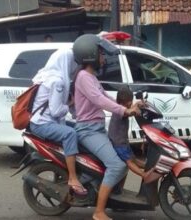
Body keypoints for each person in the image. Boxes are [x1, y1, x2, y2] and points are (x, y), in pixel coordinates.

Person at [73, 34, 140, 220]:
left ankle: (115, 198)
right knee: (117, 165)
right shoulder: (84, 77)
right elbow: (99, 100)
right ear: (90, 55)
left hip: (96, 128)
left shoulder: (90, 77)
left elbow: (106, 97)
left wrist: (128, 107)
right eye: (101, 55)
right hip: (88, 130)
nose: (103, 59)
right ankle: (99, 212)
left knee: (123, 158)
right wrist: (123, 111)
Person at [29, 48, 87, 195]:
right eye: (73, 62)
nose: (75, 65)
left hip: (45, 121)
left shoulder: (48, 76)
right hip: (42, 124)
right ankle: (73, 178)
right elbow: (56, 111)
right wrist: (69, 105)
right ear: (66, 62)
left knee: (81, 128)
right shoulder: (57, 81)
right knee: (70, 134)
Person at [109, 87, 148, 178]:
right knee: (129, 161)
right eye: (131, 101)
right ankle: (144, 175)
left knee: (133, 158)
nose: (131, 103)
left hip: (123, 142)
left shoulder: (120, 107)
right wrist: (136, 108)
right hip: (118, 143)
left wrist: (138, 104)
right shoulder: (120, 111)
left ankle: (148, 167)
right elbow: (130, 112)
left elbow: (131, 110)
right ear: (128, 102)